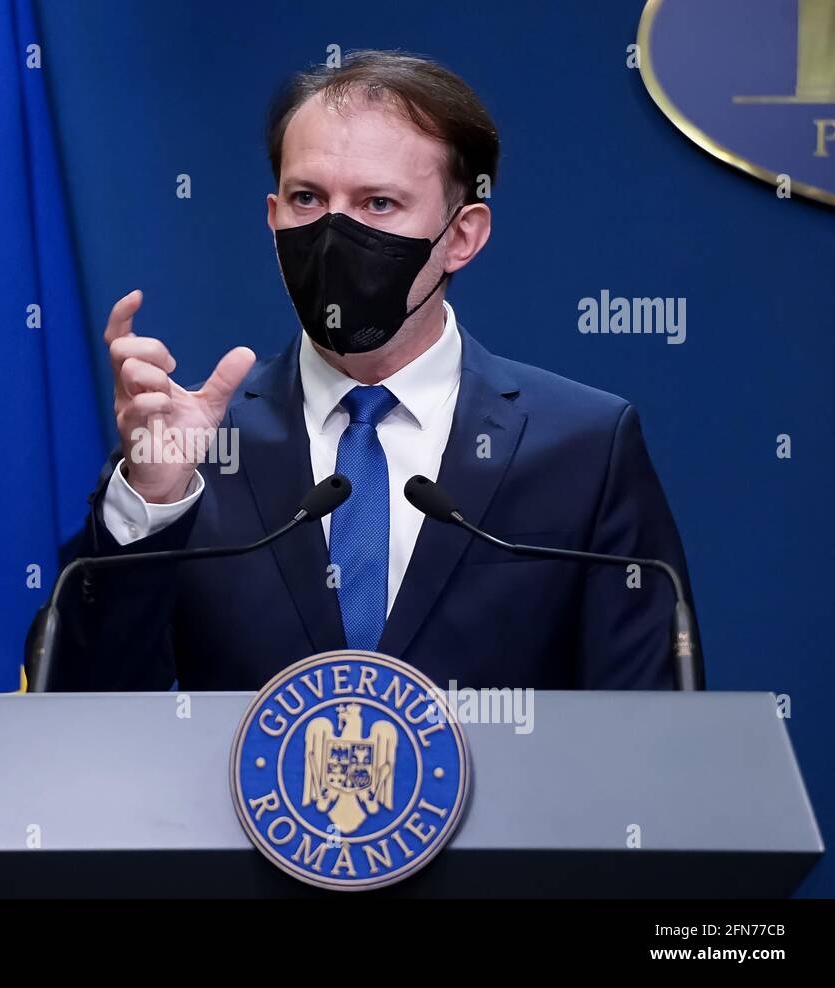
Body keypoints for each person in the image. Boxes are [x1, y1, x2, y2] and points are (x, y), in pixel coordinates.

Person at [48, 50, 698, 692]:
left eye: (379, 203)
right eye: (307, 198)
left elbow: (649, 735)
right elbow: (77, 705)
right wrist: (153, 502)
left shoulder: (583, 447)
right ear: (272, 218)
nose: (334, 232)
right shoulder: (193, 447)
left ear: (463, 236)